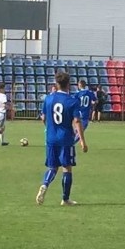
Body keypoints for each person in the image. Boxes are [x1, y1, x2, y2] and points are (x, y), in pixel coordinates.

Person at [36, 72, 88, 206]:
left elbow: (43, 118)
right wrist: (82, 141)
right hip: (66, 139)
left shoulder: (48, 99)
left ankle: (45, 185)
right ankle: (65, 199)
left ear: (56, 84)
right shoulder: (72, 101)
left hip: (51, 138)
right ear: (68, 84)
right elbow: (77, 121)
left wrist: (49, 128)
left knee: (52, 167)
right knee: (67, 168)